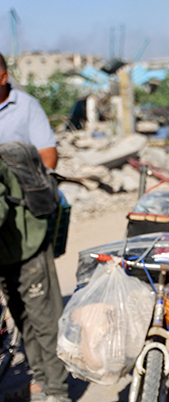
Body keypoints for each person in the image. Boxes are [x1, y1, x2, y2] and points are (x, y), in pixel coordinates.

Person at [0, 52, 69, 402]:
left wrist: (17, 183)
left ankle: (56, 389)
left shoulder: (25, 106)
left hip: (27, 230)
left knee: (44, 314)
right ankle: (41, 378)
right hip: (3, 240)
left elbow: (48, 157)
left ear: (3, 77)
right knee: (20, 313)